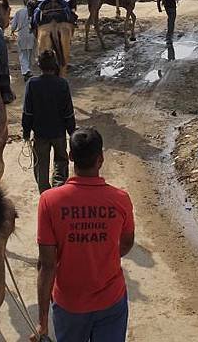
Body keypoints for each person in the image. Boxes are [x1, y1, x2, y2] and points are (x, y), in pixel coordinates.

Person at [31, 127, 134, 342]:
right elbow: (126, 244)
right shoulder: (121, 199)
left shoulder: (49, 201)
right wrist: (100, 253)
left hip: (69, 305)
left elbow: (47, 264)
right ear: (101, 159)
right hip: (111, 301)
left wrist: (42, 321)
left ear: (70, 157)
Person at [22, 50, 75, 194]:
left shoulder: (32, 84)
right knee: (61, 161)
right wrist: (72, 132)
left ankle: (45, 195)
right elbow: (68, 112)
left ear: (39, 65)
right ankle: (59, 191)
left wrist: (26, 132)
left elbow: (28, 112)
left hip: (40, 135)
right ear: (55, 65)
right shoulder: (62, 84)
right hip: (59, 134)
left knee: (41, 166)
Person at [11, 0, 36, 81]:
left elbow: (14, 25)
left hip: (21, 35)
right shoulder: (35, 12)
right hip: (32, 35)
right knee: (31, 54)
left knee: (23, 54)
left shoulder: (19, 12)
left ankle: (26, 71)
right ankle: (29, 71)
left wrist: (12, 30)